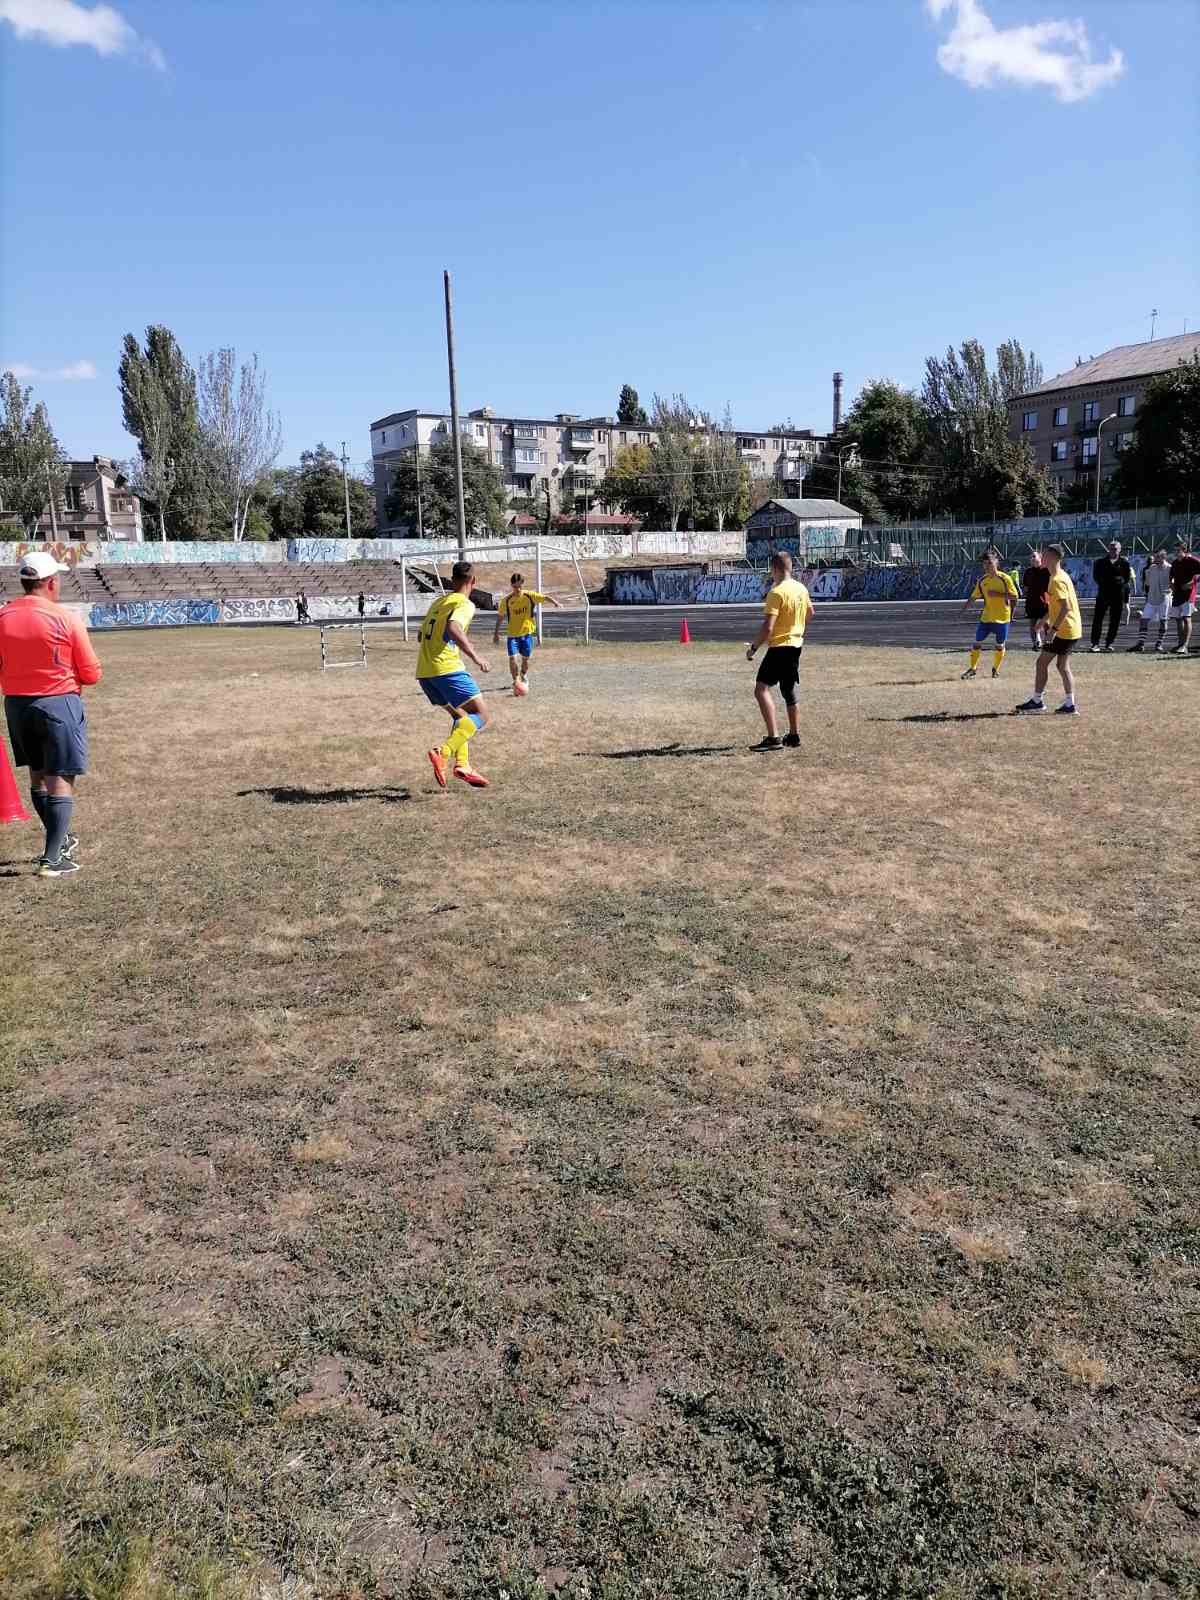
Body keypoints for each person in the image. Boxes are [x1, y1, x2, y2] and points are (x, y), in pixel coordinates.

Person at [0, 551, 102, 876]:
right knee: (60, 779)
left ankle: (60, 842)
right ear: (51, 582)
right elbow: (91, 673)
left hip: (17, 705)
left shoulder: (3, 616)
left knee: (38, 777)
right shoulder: (65, 618)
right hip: (58, 703)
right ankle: (52, 859)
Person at [416, 561, 492, 790]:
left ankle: (463, 765)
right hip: (446, 669)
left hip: (425, 672)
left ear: (452, 580)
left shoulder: (439, 602)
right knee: (481, 715)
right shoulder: (464, 604)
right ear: (473, 581)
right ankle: (444, 752)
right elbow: (453, 628)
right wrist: (476, 656)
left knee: (461, 717)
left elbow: (421, 636)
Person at [745, 551, 814, 750]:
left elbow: (768, 627)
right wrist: (796, 628)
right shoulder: (801, 588)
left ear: (774, 569)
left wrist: (753, 648)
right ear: (790, 567)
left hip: (780, 647)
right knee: (788, 690)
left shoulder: (776, 592)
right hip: (795, 645)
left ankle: (773, 737)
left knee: (761, 690)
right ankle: (793, 735)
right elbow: (811, 612)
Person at [1015, 544, 1081, 715]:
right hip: (1071, 629)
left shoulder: (1057, 580)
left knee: (1042, 663)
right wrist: (1043, 621)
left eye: (1044, 555)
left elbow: (1065, 608)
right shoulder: (1058, 576)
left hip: (1064, 630)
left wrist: (1053, 630)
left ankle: (1038, 702)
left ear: (1053, 557)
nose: (1041, 558)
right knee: (1062, 666)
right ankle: (1070, 704)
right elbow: (1054, 606)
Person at [492, 572, 560, 697]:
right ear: (511, 585)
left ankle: (523, 675)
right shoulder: (506, 601)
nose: (517, 589)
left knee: (525, 660)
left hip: (526, 634)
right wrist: (496, 633)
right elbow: (500, 617)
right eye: (515, 587)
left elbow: (544, 597)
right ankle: (516, 681)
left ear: (522, 585)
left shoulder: (529, 596)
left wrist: (555, 602)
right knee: (512, 658)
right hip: (512, 635)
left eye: (519, 586)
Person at [959, 550, 1018, 679]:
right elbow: (973, 597)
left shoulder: (1005, 578)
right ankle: (973, 669)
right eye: (984, 564)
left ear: (996, 563)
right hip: (986, 617)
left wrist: (998, 594)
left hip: (1002, 618)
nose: (987, 566)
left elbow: (1015, 596)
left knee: (999, 646)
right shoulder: (982, 580)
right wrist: (963, 609)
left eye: (989, 563)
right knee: (977, 642)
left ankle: (995, 669)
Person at [1089, 540, 1133, 652]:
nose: (1113, 551)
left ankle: (1109, 643)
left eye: (1115, 549)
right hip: (1103, 594)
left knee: (1115, 620)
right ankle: (1095, 644)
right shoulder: (1100, 562)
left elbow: (1126, 578)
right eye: (1111, 548)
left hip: (1118, 595)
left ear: (1120, 550)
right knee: (1097, 619)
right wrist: (1105, 583)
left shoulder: (1124, 563)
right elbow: (1096, 577)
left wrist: (1118, 583)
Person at [1128, 550, 1171, 653]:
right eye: (1155, 557)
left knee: (1163, 621)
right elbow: (1147, 583)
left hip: (1164, 599)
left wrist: (1170, 590)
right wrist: (1147, 593)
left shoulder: (1170, 568)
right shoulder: (1152, 568)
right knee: (1144, 620)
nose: (1155, 559)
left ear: (1163, 557)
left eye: (1157, 557)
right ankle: (1141, 644)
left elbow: (1174, 582)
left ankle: (1159, 644)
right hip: (1151, 598)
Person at [1168, 540, 1200, 655]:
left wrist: (1192, 583)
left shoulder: (1192, 560)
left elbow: (1198, 575)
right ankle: (1180, 644)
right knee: (1178, 619)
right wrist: (1171, 584)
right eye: (1175, 550)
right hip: (1177, 594)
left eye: (1178, 550)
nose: (1176, 553)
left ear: (1184, 550)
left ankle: (1185, 645)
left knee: (1186, 618)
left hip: (1189, 594)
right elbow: (1171, 576)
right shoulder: (1175, 563)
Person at [1021, 548, 1051, 651]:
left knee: (1046, 623)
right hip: (1032, 601)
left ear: (1040, 558)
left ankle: (1048, 643)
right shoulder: (1028, 572)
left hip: (1045, 600)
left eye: (1034, 556)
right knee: (1032, 623)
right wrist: (1027, 597)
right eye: (1031, 557)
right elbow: (1026, 587)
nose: (1032, 558)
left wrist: (1049, 599)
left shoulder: (1047, 570)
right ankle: (1035, 644)